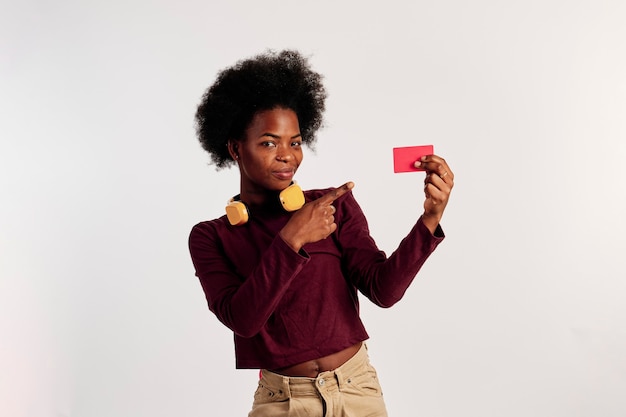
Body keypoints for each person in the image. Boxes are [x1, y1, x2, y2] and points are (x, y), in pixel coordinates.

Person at [188, 49, 454, 417]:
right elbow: (243, 321)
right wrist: (290, 241)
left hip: (357, 390)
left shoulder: (332, 205)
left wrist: (430, 218)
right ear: (235, 147)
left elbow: (384, 290)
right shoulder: (210, 237)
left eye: (294, 142)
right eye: (269, 142)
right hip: (282, 403)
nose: (287, 155)